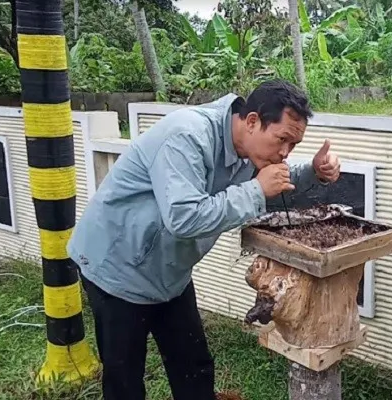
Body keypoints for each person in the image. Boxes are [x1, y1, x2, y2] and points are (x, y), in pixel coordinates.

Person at [67, 79, 341, 400]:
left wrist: (313, 170)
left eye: (293, 146)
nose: (284, 153)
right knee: (125, 379)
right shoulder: (186, 136)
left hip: (169, 275)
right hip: (117, 269)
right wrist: (255, 191)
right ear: (252, 121)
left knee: (194, 368)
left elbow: (273, 178)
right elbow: (184, 218)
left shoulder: (247, 150)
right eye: (282, 140)